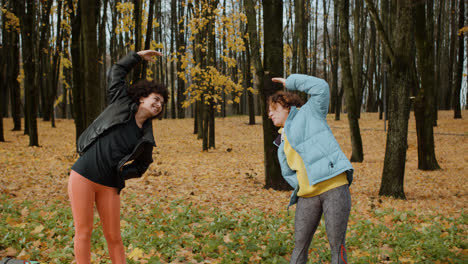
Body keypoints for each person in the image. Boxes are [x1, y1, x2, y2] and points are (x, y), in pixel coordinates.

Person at [68, 50, 168, 264]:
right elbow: (117, 71)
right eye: (156, 99)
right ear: (142, 97)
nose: (159, 105)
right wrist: (138, 56)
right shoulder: (120, 102)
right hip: (83, 176)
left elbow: (142, 166)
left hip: (110, 186)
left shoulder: (146, 136)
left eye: (162, 104)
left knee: (114, 237)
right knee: (83, 232)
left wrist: (121, 173)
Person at [268, 74, 354, 264]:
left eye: (274, 108)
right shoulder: (281, 141)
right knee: (299, 246)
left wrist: (290, 82)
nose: (270, 114)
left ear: (288, 106)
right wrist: (300, 186)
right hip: (307, 195)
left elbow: (321, 87)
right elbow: (290, 172)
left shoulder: (311, 112)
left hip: (333, 187)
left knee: (336, 246)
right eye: (269, 111)